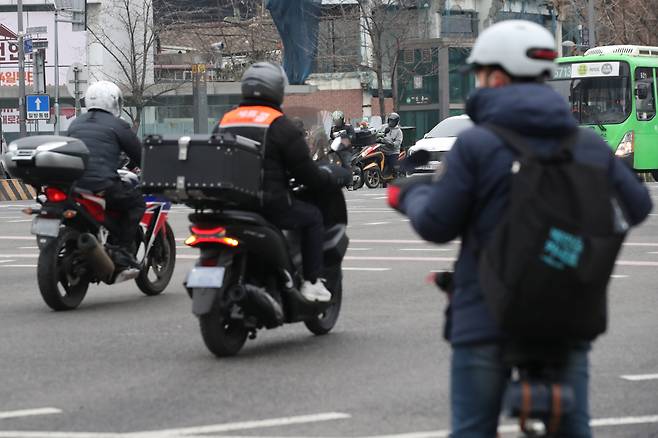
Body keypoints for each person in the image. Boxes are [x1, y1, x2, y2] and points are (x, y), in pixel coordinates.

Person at [390, 20, 652, 437]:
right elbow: (637, 207)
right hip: (569, 313)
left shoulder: (478, 144)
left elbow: (437, 224)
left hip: (486, 315)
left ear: (495, 76)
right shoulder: (588, 145)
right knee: (574, 427)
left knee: (473, 428)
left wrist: (408, 195)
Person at [214, 62, 350, 302]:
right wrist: (329, 175)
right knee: (313, 218)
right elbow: (308, 174)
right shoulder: (279, 124)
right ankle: (311, 282)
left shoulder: (226, 120)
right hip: (268, 204)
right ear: (277, 90)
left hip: (228, 204)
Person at [68, 81, 145, 269]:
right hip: (101, 184)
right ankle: (124, 251)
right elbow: (140, 155)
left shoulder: (75, 123)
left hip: (74, 185)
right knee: (136, 204)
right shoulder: (118, 125)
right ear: (114, 102)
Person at [378, 112, 403, 177]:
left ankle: (396, 177)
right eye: (390, 120)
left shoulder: (399, 131)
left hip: (392, 152)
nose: (391, 122)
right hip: (381, 149)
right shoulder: (383, 127)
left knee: (393, 166)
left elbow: (397, 143)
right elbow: (377, 134)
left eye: (393, 121)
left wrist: (390, 143)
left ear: (396, 122)